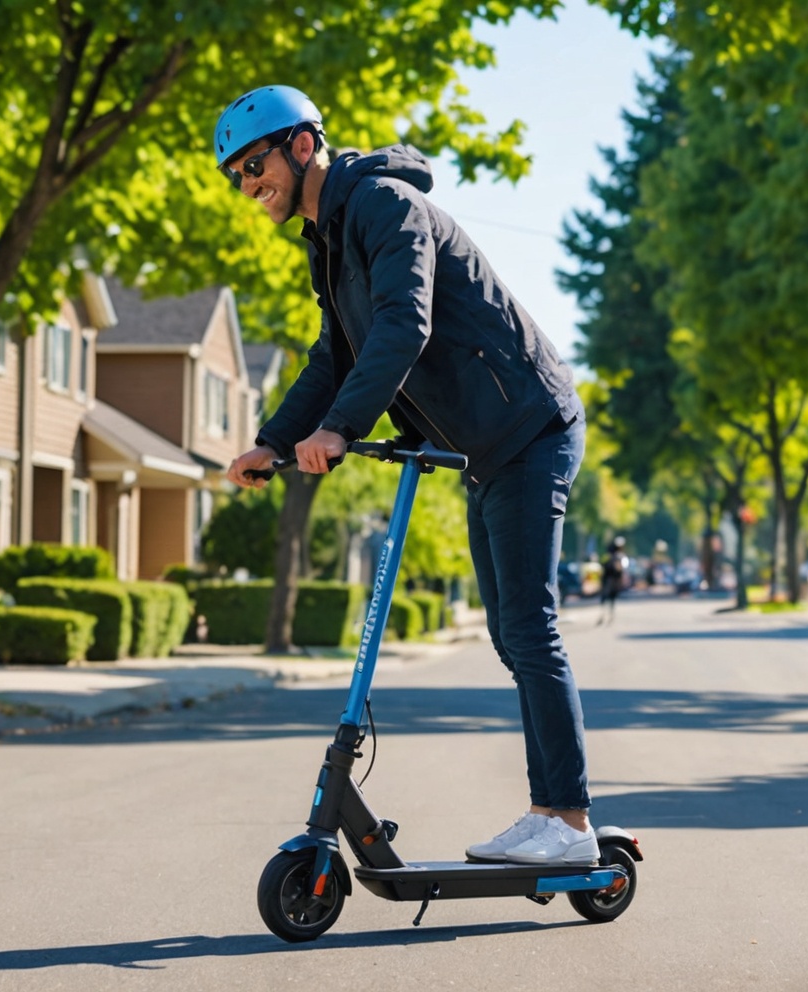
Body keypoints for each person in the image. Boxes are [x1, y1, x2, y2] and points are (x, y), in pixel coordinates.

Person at [214, 86, 596, 867]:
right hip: (486, 448)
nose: (251, 187)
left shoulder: (386, 206)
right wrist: (274, 439)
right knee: (509, 633)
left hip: (529, 425)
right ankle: (549, 808)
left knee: (529, 628)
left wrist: (341, 429)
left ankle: (570, 821)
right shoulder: (328, 237)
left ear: (302, 145)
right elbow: (337, 355)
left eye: (256, 166)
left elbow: (403, 324)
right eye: (236, 178)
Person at [597, 536, 629, 626]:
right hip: (611, 580)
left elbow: (602, 565)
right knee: (610, 599)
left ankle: (606, 615)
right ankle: (608, 616)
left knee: (606, 598)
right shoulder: (620, 556)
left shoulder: (609, 556)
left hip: (608, 579)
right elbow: (621, 569)